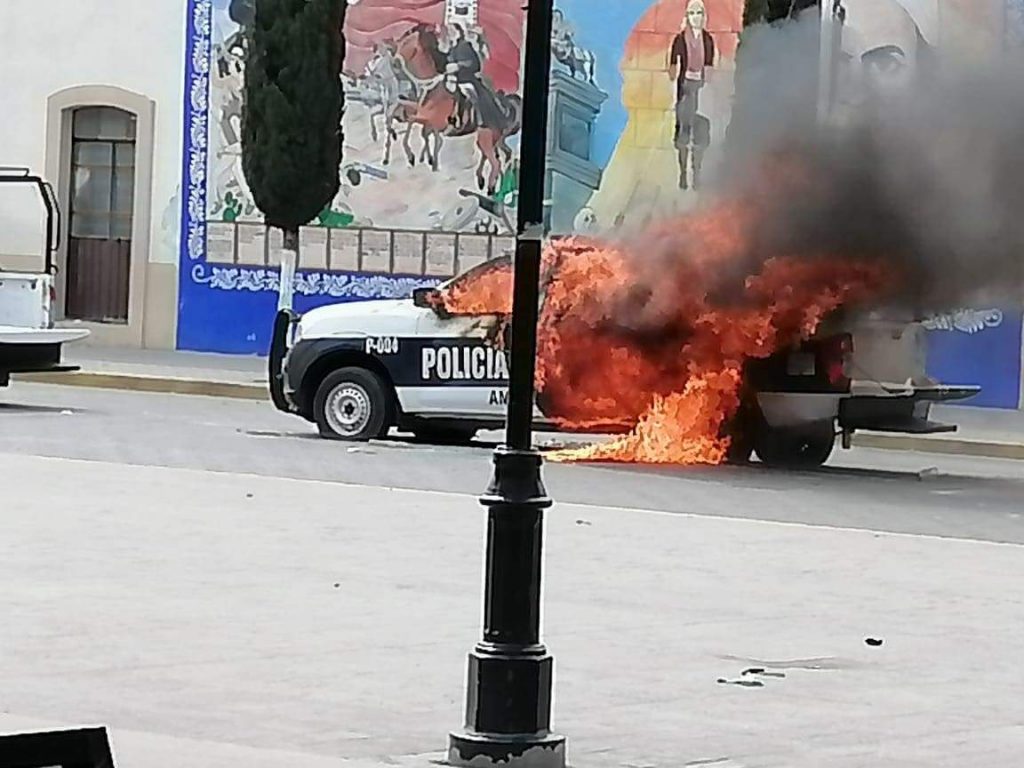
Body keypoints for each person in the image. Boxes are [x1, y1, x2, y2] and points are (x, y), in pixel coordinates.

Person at [668, 0, 716, 190]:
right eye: (693, 13)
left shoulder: (708, 40)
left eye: (699, 13)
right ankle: (682, 173)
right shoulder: (680, 39)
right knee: (683, 133)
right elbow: (673, 62)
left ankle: (697, 172)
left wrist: (708, 82)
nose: (696, 17)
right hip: (685, 87)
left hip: (700, 88)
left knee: (700, 134)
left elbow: (710, 64)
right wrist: (674, 72)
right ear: (687, 17)